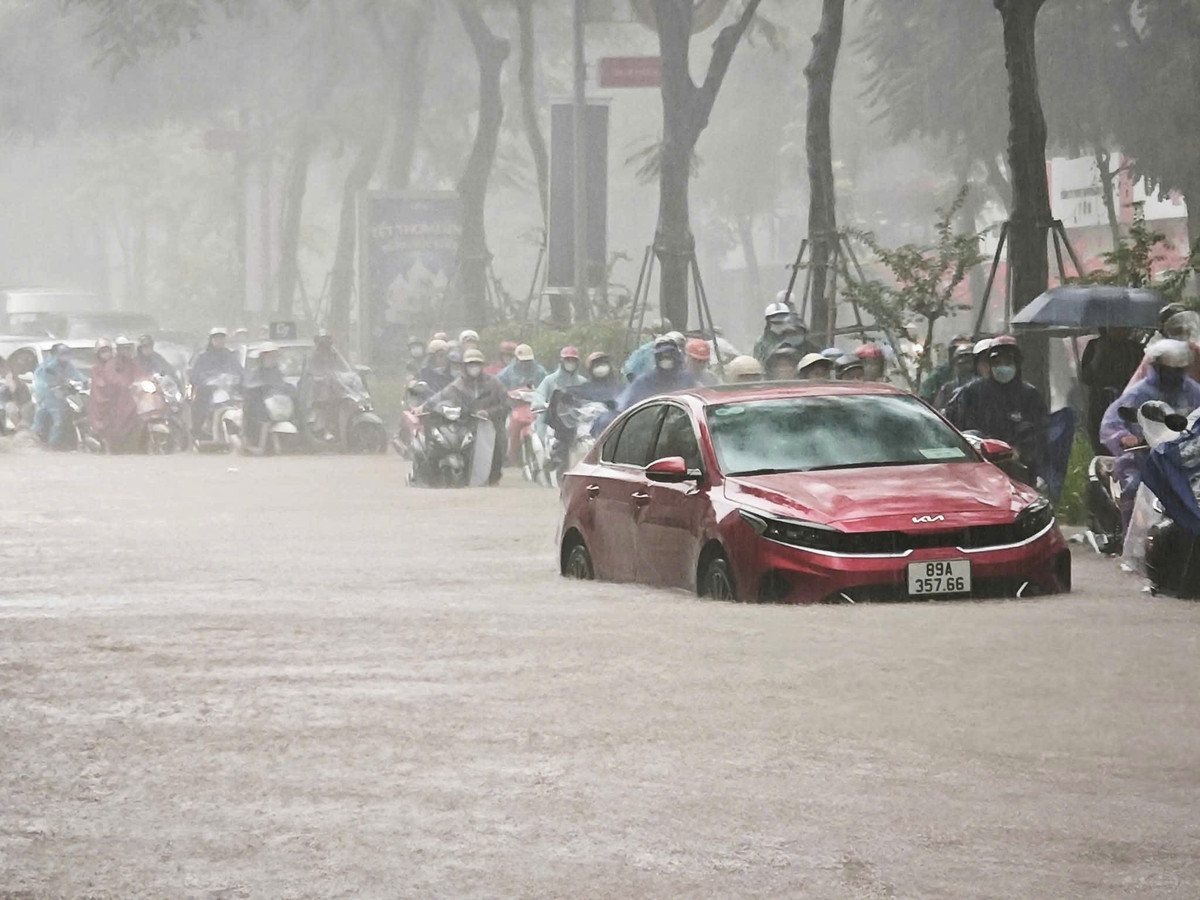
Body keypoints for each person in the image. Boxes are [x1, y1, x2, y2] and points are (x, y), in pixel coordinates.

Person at [1100, 339, 1200, 532]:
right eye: (1168, 370)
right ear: (1157, 368)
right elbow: (1110, 423)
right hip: (1143, 460)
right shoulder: (1138, 393)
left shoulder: (1193, 392)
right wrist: (1124, 437)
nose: (1173, 375)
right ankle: (1133, 542)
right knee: (1134, 489)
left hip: (1185, 461)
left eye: (1178, 370)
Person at [945, 335, 1049, 483]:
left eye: (1008, 362)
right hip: (978, 469)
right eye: (997, 362)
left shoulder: (1030, 396)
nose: (1002, 367)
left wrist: (1020, 451)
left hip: (1020, 472)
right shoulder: (970, 394)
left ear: (1017, 364)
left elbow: (1040, 432)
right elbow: (957, 431)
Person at [425, 347, 509, 484]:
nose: (474, 367)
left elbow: (506, 403)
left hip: (491, 424)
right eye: (470, 364)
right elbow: (439, 397)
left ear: (482, 366)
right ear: (464, 366)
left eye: (477, 364)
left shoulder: (494, 383)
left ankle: (492, 479)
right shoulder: (457, 385)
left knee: (498, 449)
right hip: (465, 424)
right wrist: (422, 407)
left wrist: (489, 412)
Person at [1080, 326, 1146, 454]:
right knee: (1100, 438)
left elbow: (1143, 376)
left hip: (1127, 401)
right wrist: (1098, 355)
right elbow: (1087, 377)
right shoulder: (1095, 345)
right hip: (1101, 401)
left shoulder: (1134, 349)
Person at [89, 336, 147, 452]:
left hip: (126, 397)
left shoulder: (131, 363)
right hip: (108, 399)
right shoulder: (107, 366)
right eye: (124, 349)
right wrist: (123, 385)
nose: (126, 351)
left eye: (128, 348)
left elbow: (139, 374)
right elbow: (108, 381)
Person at [616, 338, 699, 412]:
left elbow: (700, 401)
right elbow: (624, 406)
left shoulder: (687, 380)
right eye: (662, 356)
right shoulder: (644, 382)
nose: (666, 360)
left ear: (676, 357)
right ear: (657, 358)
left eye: (669, 356)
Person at [189, 327, 244, 438]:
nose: (219, 341)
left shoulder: (230, 355)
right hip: (208, 392)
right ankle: (199, 432)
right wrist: (206, 380)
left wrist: (237, 379)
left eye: (222, 338)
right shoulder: (202, 356)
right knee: (199, 405)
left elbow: (239, 372)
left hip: (229, 391)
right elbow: (195, 375)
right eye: (217, 338)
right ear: (211, 340)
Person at [242, 343, 295, 453]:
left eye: (274, 356)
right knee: (264, 418)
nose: (272, 358)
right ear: (263, 357)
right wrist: (260, 387)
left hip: (277, 403)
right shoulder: (257, 372)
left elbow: (282, 384)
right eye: (269, 356)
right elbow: (251, 386)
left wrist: (289, 389)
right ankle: (254, 443)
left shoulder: (278, 372)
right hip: (261, 405)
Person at [32, 343, 84, 449]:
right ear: (55, 354)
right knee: (52, 422)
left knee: (62, 420)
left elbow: (79, 376)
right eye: (62, 353)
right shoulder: (47, 367)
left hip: (62, 399)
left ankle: (56, 444)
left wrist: (86, 382)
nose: (65, 356)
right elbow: (41, 384)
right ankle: (44, 443)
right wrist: (53, 389)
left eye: (67, 353)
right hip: (46, 399)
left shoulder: (68, 365)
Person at [534, 347, 588, 441]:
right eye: (567, 360)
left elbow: (589, 401)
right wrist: (543, 404)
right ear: (561, 361)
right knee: (542, 436)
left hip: (576, 420)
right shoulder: (549, 380)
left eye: (573, 360)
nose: (570, 363)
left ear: (577, 363)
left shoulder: (583, 382)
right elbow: (540, 395)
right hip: (552, 421)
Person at [753, 300, 818, 364]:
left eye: (782, 320)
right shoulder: (761, 342)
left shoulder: (809, 346)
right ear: (768, 322)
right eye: (776, 322)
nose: (780, 324)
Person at [918, 334, 973, 401]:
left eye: (966, 356)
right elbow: (924, 396)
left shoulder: (979, 375)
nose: (962, 360)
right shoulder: (939, 374)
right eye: (955, 350)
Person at [932, 343, 978, 411]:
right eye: (960, 361)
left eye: (967, 361)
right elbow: (936, 412)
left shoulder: (982, 388)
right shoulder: (947, 389)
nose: (963, 365)